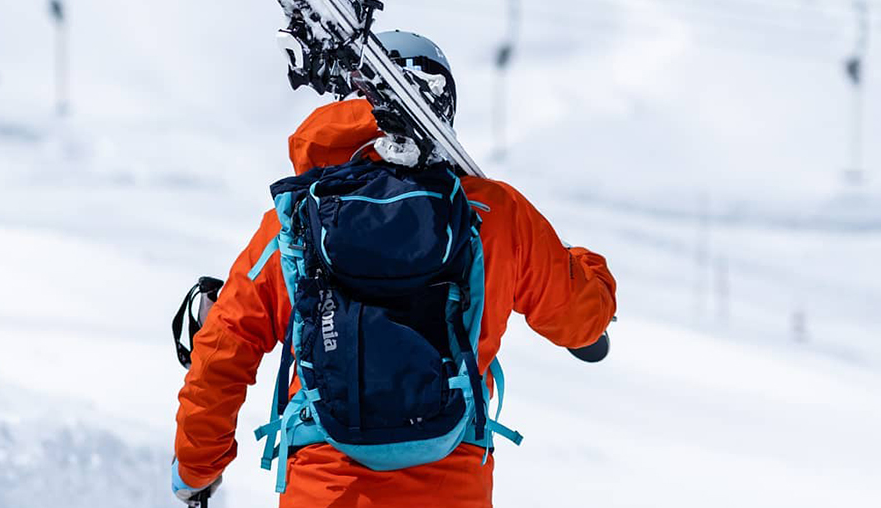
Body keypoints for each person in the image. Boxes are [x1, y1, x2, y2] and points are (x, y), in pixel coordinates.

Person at [171, 31, 617, 507]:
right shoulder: (494, 214)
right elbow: (581, 318)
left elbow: (225, 344)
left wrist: (197, 469)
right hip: (452, 490)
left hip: (325, 489)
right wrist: (583, 264)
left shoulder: (296, 221)